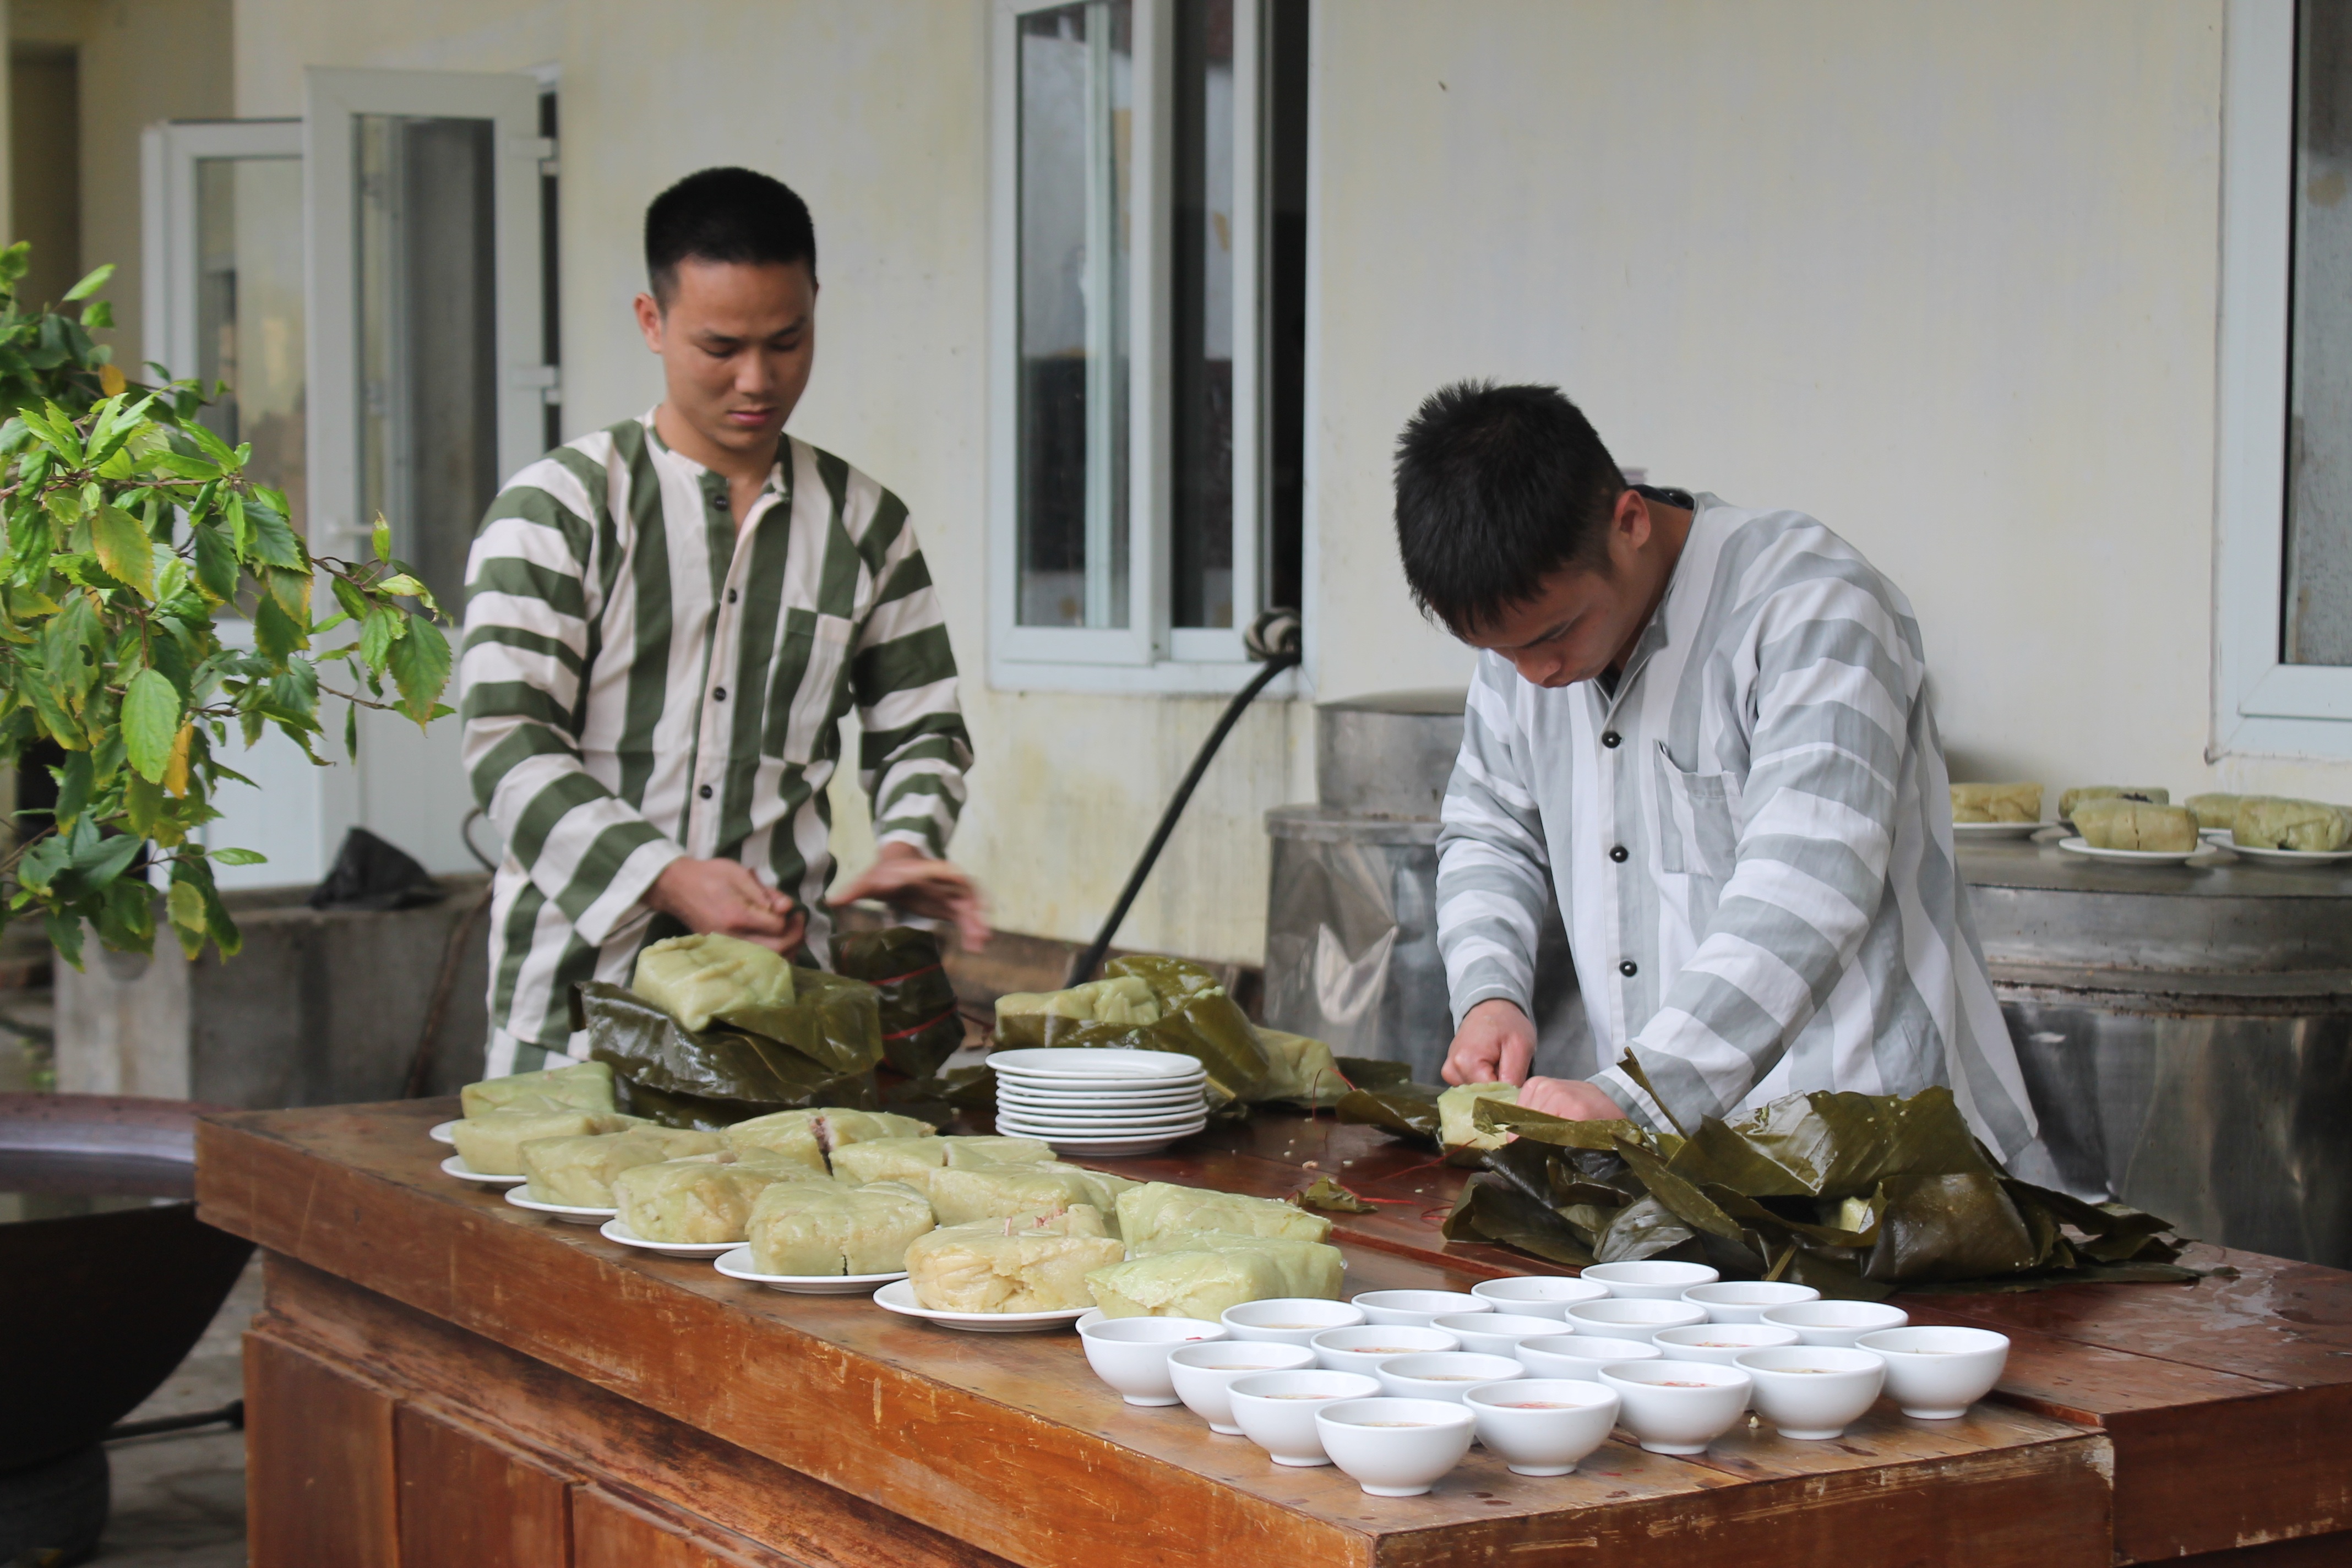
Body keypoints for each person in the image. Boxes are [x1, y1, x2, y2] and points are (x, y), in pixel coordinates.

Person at [1396, 381, 2051, 1175]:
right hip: (1683, 1171)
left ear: (1629, 522)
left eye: (1557, 635)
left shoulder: (1810, 605)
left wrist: (1643, 1090)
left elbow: (1809, 887)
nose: (1536, 675)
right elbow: (1489, 829)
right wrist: (1490, 992)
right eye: (1504, 653)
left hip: (1881, 1164)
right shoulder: (1530, 638)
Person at [461, 167, 986, 1077]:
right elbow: (507, 747)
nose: (758, 380)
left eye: (788, 341)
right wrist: (664, 876)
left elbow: (923, 728)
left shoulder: (866, 524)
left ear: (815, 305)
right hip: (572, 1017)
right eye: (721, 347)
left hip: (783, 1017)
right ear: (651, 321)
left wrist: (908, 840)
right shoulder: (558, 511)